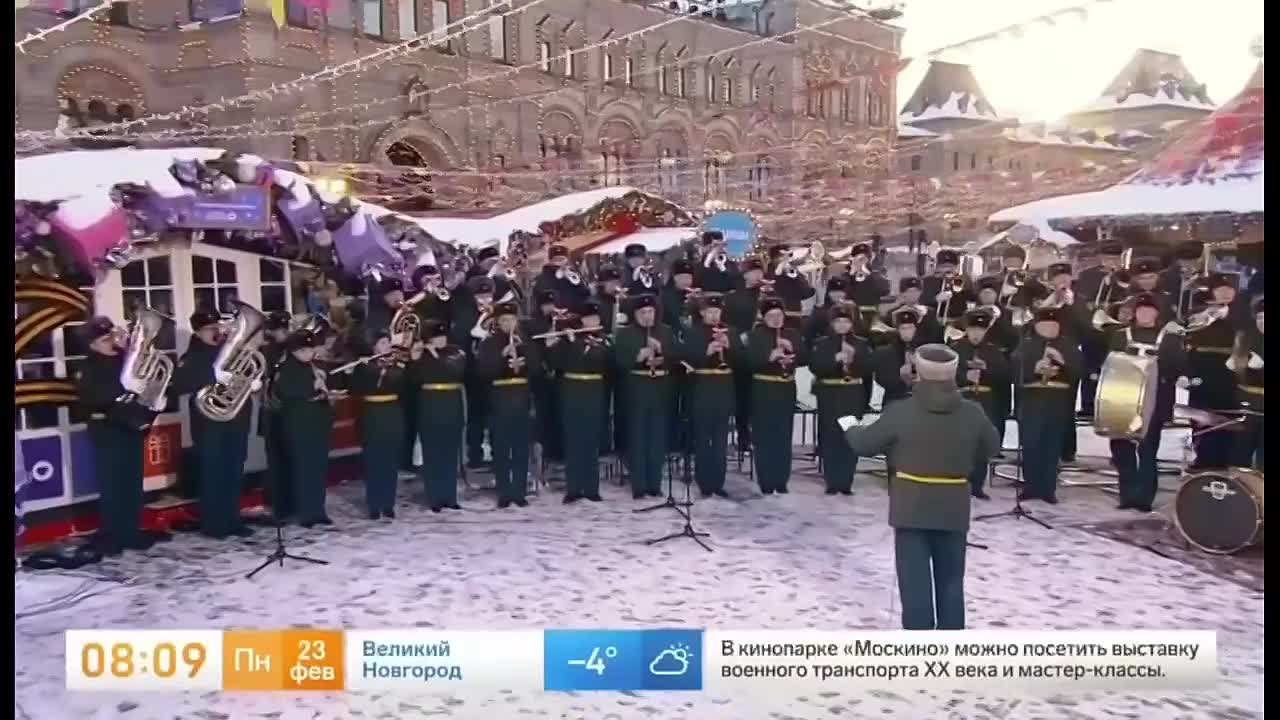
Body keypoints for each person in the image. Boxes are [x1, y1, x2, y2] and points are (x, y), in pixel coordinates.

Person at [844, 343, 1000, 631]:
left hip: (911, 504)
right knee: (951, 580)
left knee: (914, 580)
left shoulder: (901, 411)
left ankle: (919, 640)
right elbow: (992, 447)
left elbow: (865, 445)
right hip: (954, 504)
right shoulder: (972, 412)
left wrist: (850, 426)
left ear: (919, 371)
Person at [77, 317, 164, 555]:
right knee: (113, 487)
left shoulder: (124, 360)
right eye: (106, 339)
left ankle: (130, 532)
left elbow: (144, 388)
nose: (112, 341)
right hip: (108, 432)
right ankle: (114, 535)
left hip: (131, 429)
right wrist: (127, 390)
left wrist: (154, 400)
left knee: (132, 484)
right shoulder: (88, 367)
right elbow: (95, 398)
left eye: (112, 336)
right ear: (92, 344)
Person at [170, 308, 255, 539]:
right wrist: (212, 375)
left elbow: (247, 371)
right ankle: (215, 523)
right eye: (210, 328)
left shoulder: (229, 350)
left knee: (234, 470)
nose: (216, 331)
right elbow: (180, 384)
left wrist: (252, 380)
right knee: (213, 472)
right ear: (197, 332)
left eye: (217, 326)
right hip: (209, 424)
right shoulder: (191, 356)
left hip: (236, 419)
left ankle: (233, 519)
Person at [1108, 293, 1190, 513]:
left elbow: (1179, 366)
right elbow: (1111, 363)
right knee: (1121, 448)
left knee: (1147, 450)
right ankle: (1127, 494)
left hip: (1154, 401)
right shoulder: (1120, 335)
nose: (1144, 314)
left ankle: (1144, 497)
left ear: (1156, 313)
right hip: (1123, 399)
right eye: (1141, 310)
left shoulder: (1169, 338)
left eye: (1149, 310)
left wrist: (1171, 374)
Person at [1011, 307, 1082, 504]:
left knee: (1052, 445)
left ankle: (1048, 488)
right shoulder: (1026, 345)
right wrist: (1034, 368)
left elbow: (1079, 371)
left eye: (1053, 325)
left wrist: (1062, 362)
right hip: (1032, 400)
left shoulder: (1068, 345)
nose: (1050, 328)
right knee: (1031, 444)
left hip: (1057, 401)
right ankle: (1031, 486)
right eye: (1045, 325)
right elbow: (1014, 369)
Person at [475, 301, 539, 509]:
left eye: (512, 320)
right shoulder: (488, 343)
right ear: (498, 322)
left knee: (521, 448)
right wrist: (501, 356)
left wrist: (525, 353)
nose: (508, 324)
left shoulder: (525, 341)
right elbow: (483, 372)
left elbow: (537, 369)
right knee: (501, 448)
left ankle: (519, 492)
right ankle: (504, 492)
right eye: (504, 320)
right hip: (500, 399)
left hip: (521, 398)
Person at [272, 324, 336, 527]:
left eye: (311, 349)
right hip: (299, 424)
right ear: (294, 351)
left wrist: (327, 390)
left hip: (317, 422)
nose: (309, 353)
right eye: (304, 350)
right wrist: (312, 386)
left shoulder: (314, 366)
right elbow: (285, 391)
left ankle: (318, 510)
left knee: (318, 468)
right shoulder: (286, 368)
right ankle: (305, 512)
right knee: (303, 469)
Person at [613, 293, 676, 499]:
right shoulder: (625, 334)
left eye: (650, 312)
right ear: (635, 314)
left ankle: (655, 484)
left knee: (658, 437)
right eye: (643, 313)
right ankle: (639, 485)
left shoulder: (665, 331)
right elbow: (617, 361)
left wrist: (662, 353)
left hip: (660, 388)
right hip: (636, 389)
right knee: (637, 436)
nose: (647, 316)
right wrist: (637, 356)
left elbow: (677, 356)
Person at [745, 297, 808, 495]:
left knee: (783, 435)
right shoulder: (755, 336)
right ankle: (766, 479)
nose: (776, 319)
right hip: (763, 389)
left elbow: (806, 358)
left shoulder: (792, 334)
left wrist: (792, 349)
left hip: (786, 389)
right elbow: (747, 362)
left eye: (779, 315)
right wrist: (769, 357)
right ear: (764, 317)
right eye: (771, 316)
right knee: (764, 436)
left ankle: (781, 480)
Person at [548, 301, 610, 503]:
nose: (593, 321)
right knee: (573, 440)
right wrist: (555, 342)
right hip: (572, 391)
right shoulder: (568, 340)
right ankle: (573, 488)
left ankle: (592, 488)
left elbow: (599, 360)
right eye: (589, 318)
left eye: (595, 318)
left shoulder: (604, 340)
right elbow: (557, 363)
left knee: (591, 441)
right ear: (582, 320)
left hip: (593, 391)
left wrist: (575, 342)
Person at [680, 294, 740, 498]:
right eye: (710, 312)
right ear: (702, 312)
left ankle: (718, 482)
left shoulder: (731, 332)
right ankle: (704, 482)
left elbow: (743, 360)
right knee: (703, 438)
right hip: (702, 388)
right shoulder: (693, 333)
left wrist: (729, 346)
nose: (714, 316)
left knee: (721, 440)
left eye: (717, 312)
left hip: (724, 389)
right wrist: (707, 351)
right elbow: (686, 358)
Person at [809, 303, 871, 496]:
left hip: (852, 395)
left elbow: (868, 370)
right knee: (830, 438)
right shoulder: (822, 343)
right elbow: (815, 367)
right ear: (832, 323)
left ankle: (846, 481)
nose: (842, 325)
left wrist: (854, 360)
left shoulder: (861, 344)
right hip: (830, 395)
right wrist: (834, 359)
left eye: (846, 321)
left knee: (850, 437)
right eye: (838, 321)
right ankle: (832, 481)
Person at [949, 309, 1010, 500]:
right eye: (973, 329)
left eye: (980, 330)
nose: (976, 334)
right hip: (961, 399)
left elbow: (1004, 376)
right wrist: (964, 376)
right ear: (967, 329)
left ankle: (977, 485)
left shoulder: (993, 351)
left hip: (985, 401)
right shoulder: (955, 349)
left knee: (980, 445)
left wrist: (987, 370)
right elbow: (947, 373)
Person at [349, 330, 408, 520]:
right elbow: (356, 388)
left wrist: (392, 368)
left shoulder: (397, 365)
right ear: (373, 346)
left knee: (390, 461)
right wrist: (365, 368)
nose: (387, 346)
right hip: (372, 414)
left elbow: (401, 384)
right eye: (382, 343)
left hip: (391, 414)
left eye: (388, 342)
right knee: (373, 461)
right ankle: (374, 504)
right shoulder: (364, 366)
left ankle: (388, 503)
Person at [408, 320, 467, 512]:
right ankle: (434, 497)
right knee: (432, 453)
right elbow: (412, 381)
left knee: (450, 453)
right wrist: (414, 360)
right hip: (430, 406)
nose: (441, 340)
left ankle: (450, 496)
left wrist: (435, 355)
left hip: (451, 406)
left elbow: (455, 371)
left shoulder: (455, 352)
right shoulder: (421, 355)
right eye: (436, 337)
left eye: (443, 336)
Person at [1184, 273, 1240, 469]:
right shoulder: (1199, 311)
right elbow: (1188, 329)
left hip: (1230, 369)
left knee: (1228, 413)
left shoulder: (1242, 313)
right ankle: (1202, 457)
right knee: (1202, 413)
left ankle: (1225, 458)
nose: (1225, 293)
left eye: (1229, 289)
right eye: (1220, 290)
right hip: (1203, 366)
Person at [451, 275, 495, 469]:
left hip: (494, 373)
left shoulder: (497, 315)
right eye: (480, 296)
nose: (485, 300)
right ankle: (474, 455)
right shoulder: (465, 317)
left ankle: (497, 453)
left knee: (494, 415)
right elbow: (460, 343)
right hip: (473, 374)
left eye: (488, 295)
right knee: (475, 416)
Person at [258, 311, 294, 518]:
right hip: (272, 411)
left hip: (288, 411)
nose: (283, 332)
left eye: (285, 329)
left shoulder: (290, 348)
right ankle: (279, 504)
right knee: (276, 461)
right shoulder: (266, 351)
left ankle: (290, 502)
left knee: (289, 459)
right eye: (280, 329)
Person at [1230, 296, 1264, 470]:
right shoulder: (1246, 340)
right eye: (1260, 317)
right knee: (1240, 456)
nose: (1263, 321)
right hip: (1247, 408)